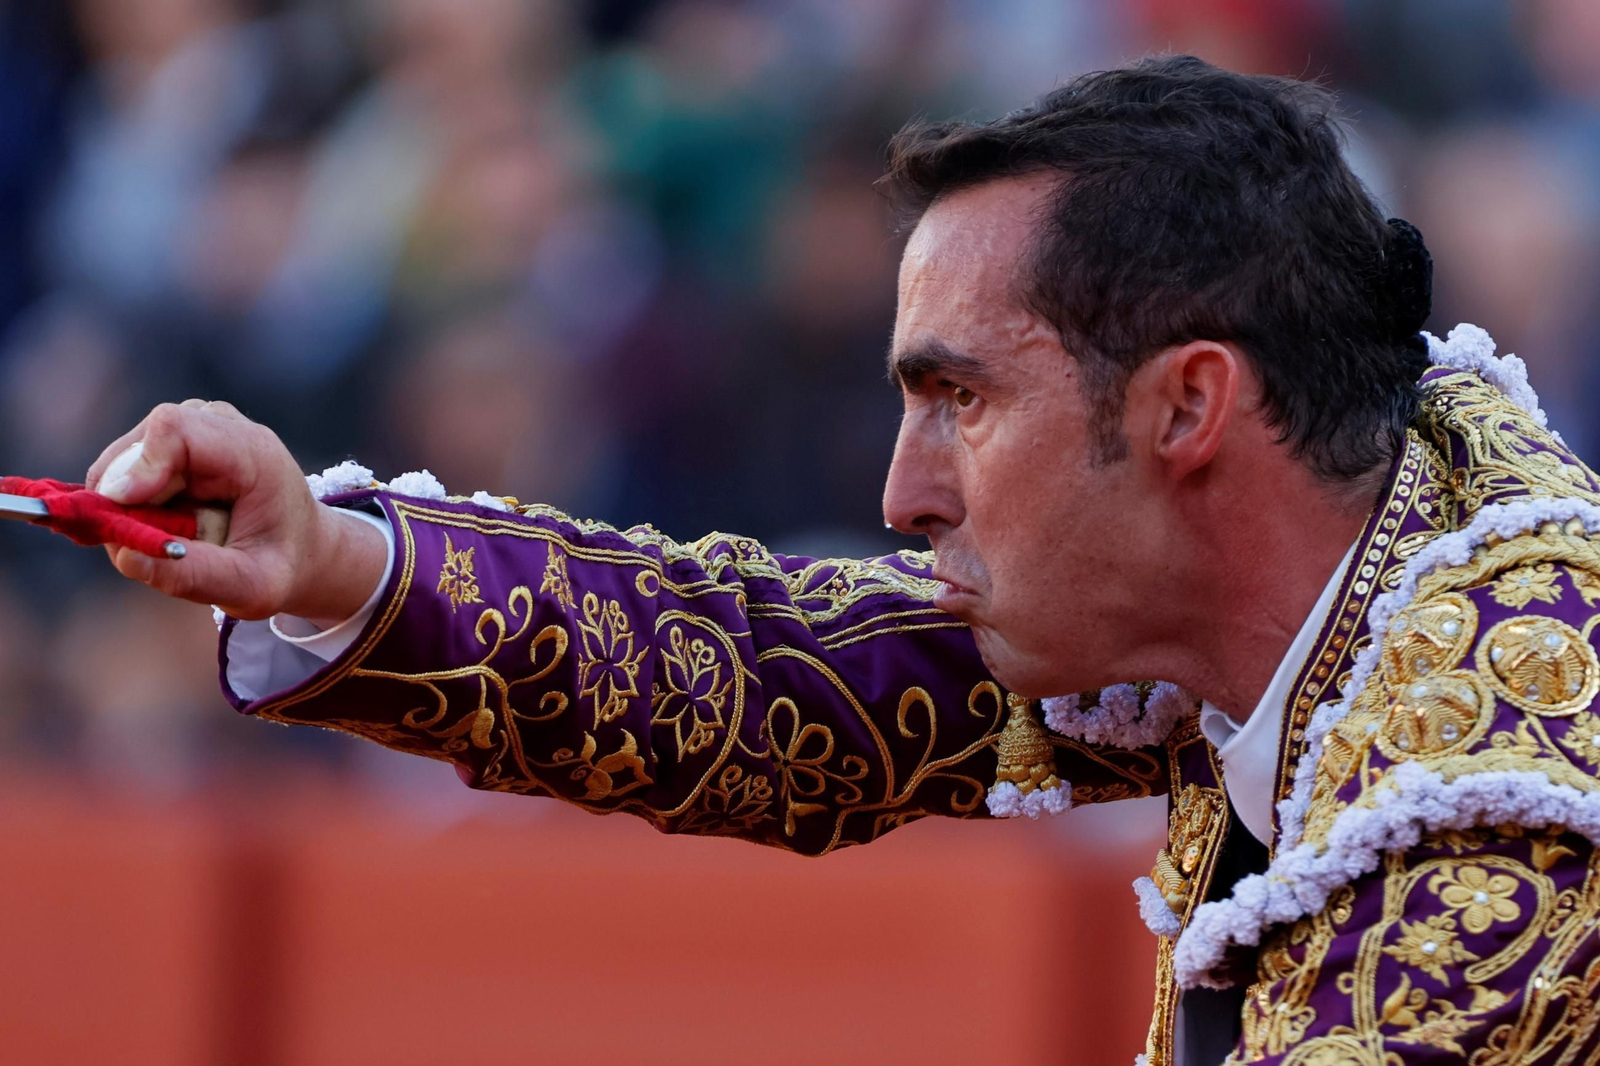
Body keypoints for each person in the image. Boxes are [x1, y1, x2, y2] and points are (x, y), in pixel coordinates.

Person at [87, 55, 1600, 1065]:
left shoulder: (1501, 823)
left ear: (1190, 407)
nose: (901, 489)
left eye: (962, 399)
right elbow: (783, 674)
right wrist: (329, 558)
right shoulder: (1348, 513)